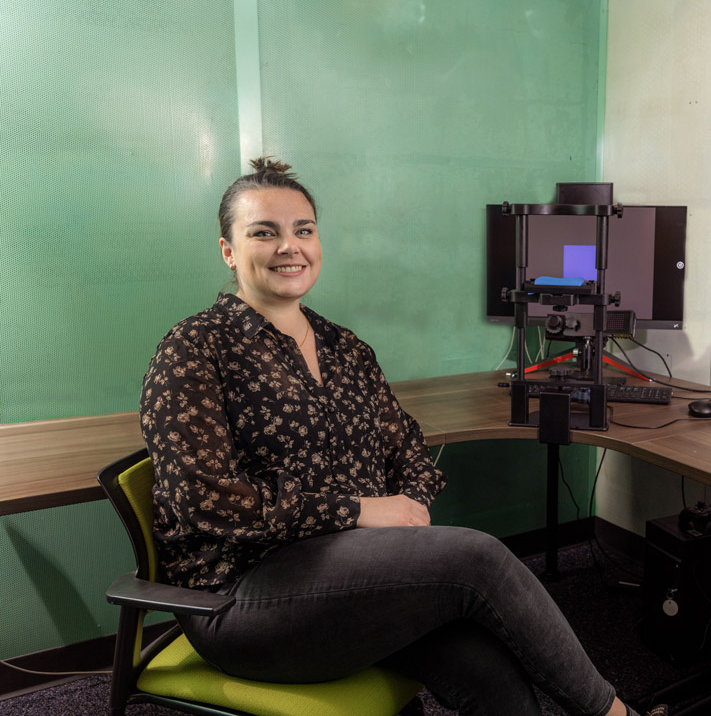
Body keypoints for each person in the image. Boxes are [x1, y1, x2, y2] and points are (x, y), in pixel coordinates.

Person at [139, 157, 667, 716]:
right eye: (263, 232)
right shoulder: (194, 349)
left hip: (351, 574)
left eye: (304, 230)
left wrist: (406, 510)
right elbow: (201, 501)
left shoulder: (345, 348)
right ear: (228, 251)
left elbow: (408, 450)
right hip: (243, 600)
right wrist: (356, 510)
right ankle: (613, 715)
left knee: (492, 675)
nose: (288, 247)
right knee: (477, 558)